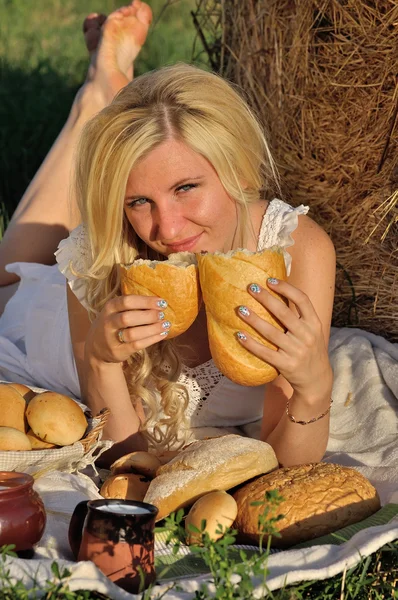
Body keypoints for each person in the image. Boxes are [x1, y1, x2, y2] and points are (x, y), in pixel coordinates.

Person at [0, 1, 336, 466]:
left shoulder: (295, 251)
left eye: (186, 188)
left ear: (238, 171)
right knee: (9, 284)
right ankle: (93, 100)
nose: (168, 229)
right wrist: (100, 362)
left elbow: (287, 471)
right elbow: (123, 459)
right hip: (47, 331)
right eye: (138, 201)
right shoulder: (99, 258)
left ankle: (103, 92)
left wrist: (315, 389)